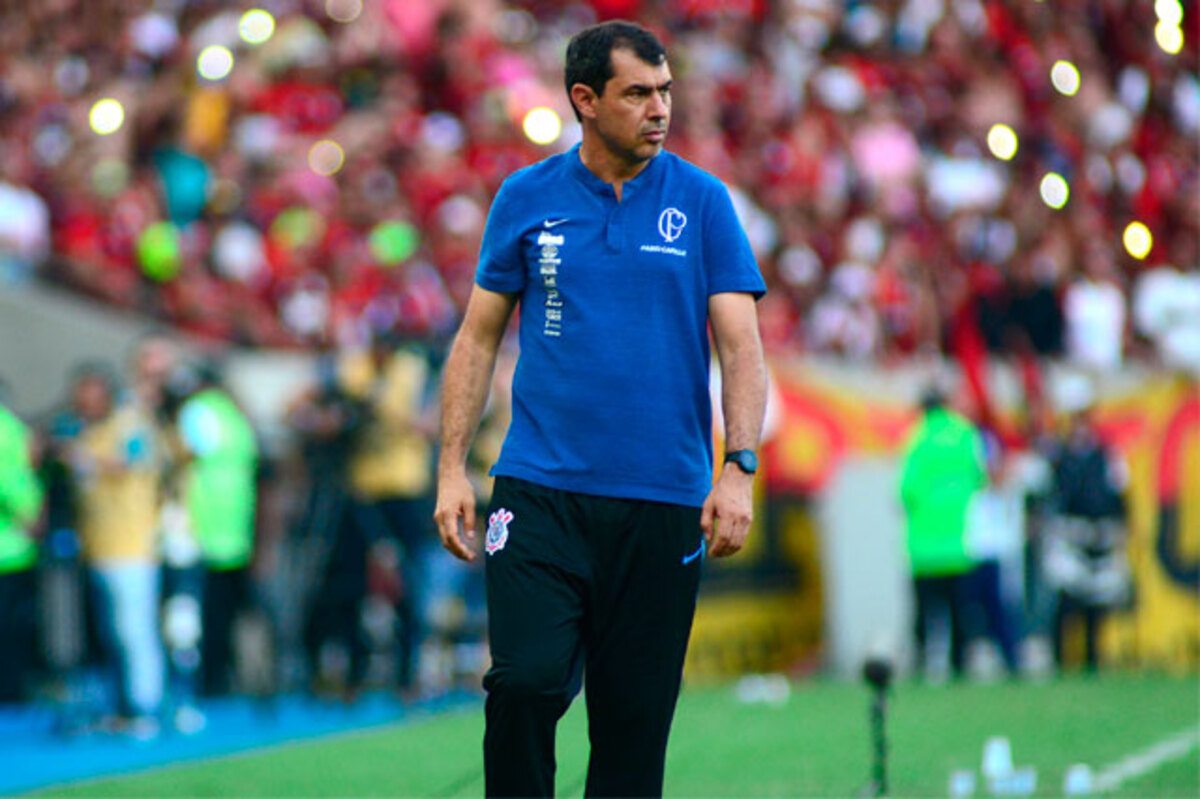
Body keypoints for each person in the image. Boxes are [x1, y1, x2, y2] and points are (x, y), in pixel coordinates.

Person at [433, 21, 767, 797]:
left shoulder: (704, 201)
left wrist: (739, 467)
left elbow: (742, 348)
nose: (660, 109)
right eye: (638, 93)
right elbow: (477, 339)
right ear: (585, 100)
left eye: (666, 92)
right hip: (540, 491)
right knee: (524, 681)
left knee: (633, 728)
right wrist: (451, 466)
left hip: (661, 501)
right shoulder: (525, 197)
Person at [67, 364, 166, 737]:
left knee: (134, 631)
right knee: (111, 634)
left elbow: (132, 462)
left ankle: (146, 708)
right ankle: (122, 705)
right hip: (99, 547)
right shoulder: (89, 432)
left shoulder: (130, 425)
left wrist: (85, 459)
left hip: (132, 547)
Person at [898, 386, 988, 683]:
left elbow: (905, 491)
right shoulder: (965, 434)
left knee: (925, 615)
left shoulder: (917, 437)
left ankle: (923, 669)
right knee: (959, 613)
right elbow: (980, 478)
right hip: (959, 543)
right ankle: (959, 670)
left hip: (923, 547)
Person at [0, 386, 44, 703]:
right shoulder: (9, 428)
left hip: (12, 546)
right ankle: (12, 693)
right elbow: (10, 479)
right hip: (13, 545)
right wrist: (30, 515)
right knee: (12, 629)